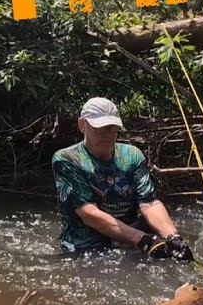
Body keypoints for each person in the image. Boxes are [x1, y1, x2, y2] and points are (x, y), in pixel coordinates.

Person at [52, 97, 194, 260]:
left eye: (112, 128)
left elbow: (149, 203)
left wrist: (173, 237)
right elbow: (88, 213)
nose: (107, 135)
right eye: (100, 129)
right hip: (85, 248)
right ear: (82, 125)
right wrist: (143, 240)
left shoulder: (132, 155)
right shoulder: (67, 160)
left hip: (130, 241)